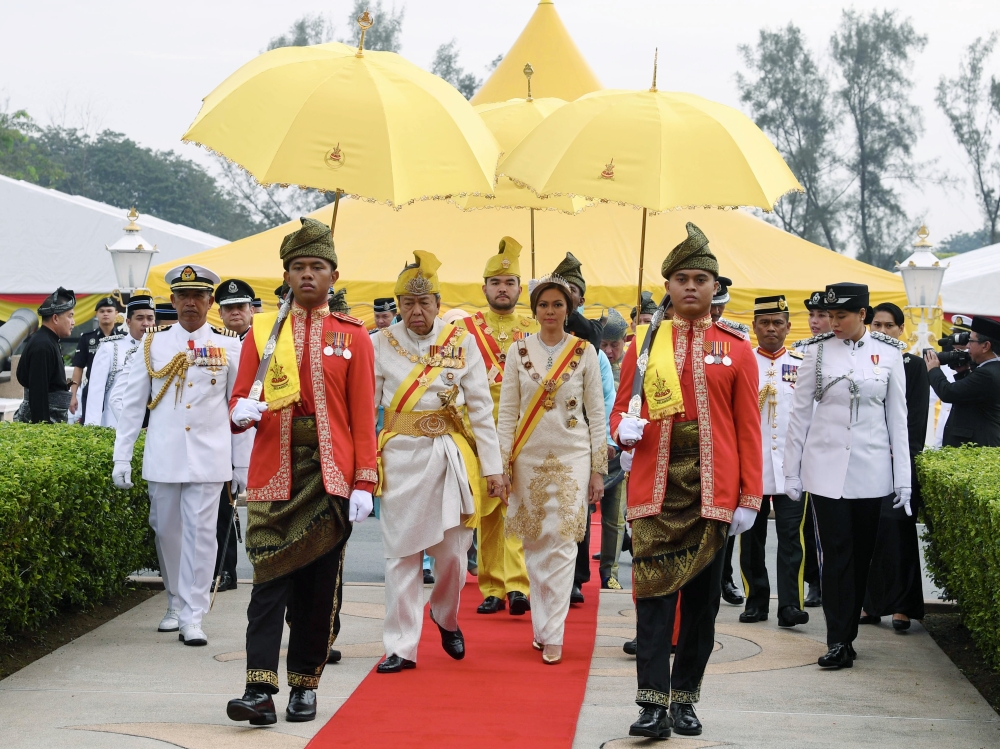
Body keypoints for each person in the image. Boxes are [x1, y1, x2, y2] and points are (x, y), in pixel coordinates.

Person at [611, 223, 762, 738]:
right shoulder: (644, 344)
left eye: (700, 279)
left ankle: (686, 700)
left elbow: (748, 428)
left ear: (715, 286)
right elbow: (621, 409)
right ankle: (652, 705)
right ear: (668, 286)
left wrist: (750, 495)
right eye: (682, 279)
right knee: (653, 601)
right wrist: (622, 429)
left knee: (701, 606)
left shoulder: (736, 348)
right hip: (654, 488)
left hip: (712, 491)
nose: (691, 287)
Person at [224, 218, 376, 725]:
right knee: (267, 583)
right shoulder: (263, 334)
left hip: (330, 476)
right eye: (298, 267)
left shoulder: (353, 337)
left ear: (334, 275)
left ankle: (304, 686)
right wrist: (240, 411)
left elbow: (362, 415)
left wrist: (365, 480)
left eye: (317, 266)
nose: (307, 274)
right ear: (286, 276)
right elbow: (241, 398)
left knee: (317, 590)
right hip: (273, 472)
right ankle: (258, 690)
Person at [372, 250, 504, 673]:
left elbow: (481, 409)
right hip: (398, 456)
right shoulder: (379, 343)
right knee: (402, 556)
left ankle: (444, 615)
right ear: (398, 304)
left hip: (449, 456)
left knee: (452, 555)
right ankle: (400, 646)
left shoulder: (461, 341)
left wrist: (493, 468)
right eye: (408, 303)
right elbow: (365, 409)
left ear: (438, 302)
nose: (416, 311)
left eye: (424, 302)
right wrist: (363, 467)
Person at [112, 264, 242, 647]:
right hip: (164, 454)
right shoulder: (153, 344)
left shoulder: (230, 345)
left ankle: (193, 615)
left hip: (209, 456)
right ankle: (174, 601)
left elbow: (239, 409)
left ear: (210, 301)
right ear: (172, 300)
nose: (190, 303)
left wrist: (242, 464)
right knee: (166, 530)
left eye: (198, 296)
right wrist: (122, 456)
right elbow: (133, 404)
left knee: (201, 534)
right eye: (183, 296)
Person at [784, 282, 910, 670]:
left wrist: (903, 478)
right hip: (825, 471)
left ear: (862, 315)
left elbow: (898, 420)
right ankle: (838, 639)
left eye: (842, 316)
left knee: (861, 557)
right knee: (836, 555)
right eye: (830, 315)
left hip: (871, 471)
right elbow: (799, 415)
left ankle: (849, 633)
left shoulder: (889, 353)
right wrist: (791, 472)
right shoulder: (817, 351)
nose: (834, 323)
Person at [496, 274, 607, 664]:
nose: (550, 311)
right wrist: (501, 466)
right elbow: (507, 414)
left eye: (558, 304)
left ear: (569, 309)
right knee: (534, 542)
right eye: (543, 304)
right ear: (534, 309)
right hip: (527, 456)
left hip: (573, 455)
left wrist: (598, 469)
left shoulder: (584, 352)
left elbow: (597, 414)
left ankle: (554, 632)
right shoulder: (517, 351)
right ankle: (542, 627)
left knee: (562, 540)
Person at [457, 237, 537, 615]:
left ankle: (519, 585)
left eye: (509, 283)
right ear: (484, 288)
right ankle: (492, 587)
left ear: (520, 289)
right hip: (480, 433)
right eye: (495, 283)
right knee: (488, 511)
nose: (502, 288)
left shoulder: (535, 327)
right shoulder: (465, 330)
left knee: (517, 508)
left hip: (523, 432)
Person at [738, 295, 810, 628]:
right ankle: (756, 601)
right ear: (754, 326)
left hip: (791, 468)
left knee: (791, 538)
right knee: (751, 537)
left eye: (777, 323)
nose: (771, 328)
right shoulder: (743, 362)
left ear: (788, 327)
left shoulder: (802, 364)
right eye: (765, 323)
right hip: (751, 467)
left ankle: (791, 605)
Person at [550, 251, 616, 604]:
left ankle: (575, 578)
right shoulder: (534, 340)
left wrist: (604, 441)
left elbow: (604, 399)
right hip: (542, 434)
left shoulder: (592, 344)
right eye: (556, 291)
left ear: (581, 299)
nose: (563, 298)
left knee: (577, 509)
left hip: (578, 436)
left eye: (570, 291)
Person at [861, 302, 928, 630]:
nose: (883, 331)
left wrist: (900, 455)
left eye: (890, 325)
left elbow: (916, 418)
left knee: (898, 530)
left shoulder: (912, 365)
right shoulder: (861, 361)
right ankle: (870, 604)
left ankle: (902, 606)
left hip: (899, 462)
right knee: (869, 533)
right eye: (877, 325)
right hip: (866, 460)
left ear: (901, 330)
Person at [211, 279, 257, 595]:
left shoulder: (267, 341)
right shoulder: (214, 344)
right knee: (222, 509)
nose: (235, 313)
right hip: (225, 435)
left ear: (251, 309)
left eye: (240, 306)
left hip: (262, 433)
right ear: (221, 313)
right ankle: (224, 571)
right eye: (228, 308)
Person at [794, 291, 832, 608]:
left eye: (821, 315)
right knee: (808, 523)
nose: (815, 321)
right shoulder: (801, 352)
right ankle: (815, 582)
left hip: (834, 448)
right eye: (812, 315)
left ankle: (833, 579)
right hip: (807, 450)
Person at [925, 316, 1000, 447]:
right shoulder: (992, 369)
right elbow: (969, 397)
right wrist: (963, 373)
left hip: (976, 446)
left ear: (986, 346)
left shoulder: (987, 373)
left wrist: (933, 369)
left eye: (971, 341)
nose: (967, 346)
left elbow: (948, 393)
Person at [84, 293, 156, 428]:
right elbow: (95, 392)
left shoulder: (159, 349)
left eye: (150, 318)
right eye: (140, 318)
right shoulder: (111, 348)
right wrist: (92, 429)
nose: (146, 323)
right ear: (128, 322)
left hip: (152, 427)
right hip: (115, 425)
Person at [597, 308, 629, 588]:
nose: (608, 351)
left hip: (621, 453)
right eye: (604, 345)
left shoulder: (636, 366)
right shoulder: (591, 363)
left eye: (614, 345)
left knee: (615, 518)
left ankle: (611, 573)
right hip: (592, 448)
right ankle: (576, 576)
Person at [14, 287, 76, 423]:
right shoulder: (43, 345)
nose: (73, 322)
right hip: (45, 422)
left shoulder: (47, 341)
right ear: (55, 318)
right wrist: (43, 430)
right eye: (70, 316)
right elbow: (38, 396)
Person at [69, 294, 121, 423]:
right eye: (102, 311)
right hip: (92, 391)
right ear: (96, 314)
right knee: (91, 425)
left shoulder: (123, 338)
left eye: (109, 311)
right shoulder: (87, 338)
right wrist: (73, 395)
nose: (105, 314)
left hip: (118, 392)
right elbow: (78, 368)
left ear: (116, 314)